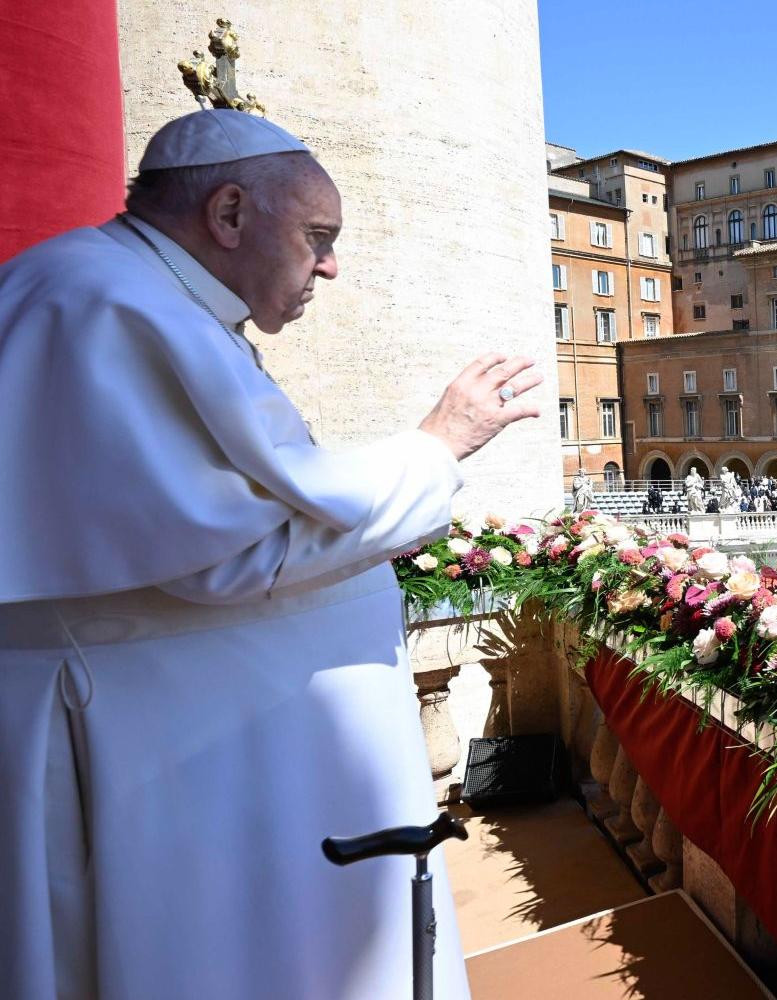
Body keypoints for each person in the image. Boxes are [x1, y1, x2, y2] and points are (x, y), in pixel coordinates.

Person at [0, 110, 538, 1000]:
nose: (330, 265)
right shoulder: (106, 305)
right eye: (318, 237)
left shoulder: (122, 291)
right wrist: (439, 445)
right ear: (230, 213)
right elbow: (230, 555)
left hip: (180, 736)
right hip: (152, 748)